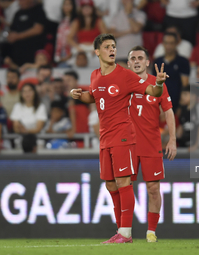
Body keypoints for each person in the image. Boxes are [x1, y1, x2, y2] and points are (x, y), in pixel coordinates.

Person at [70, 33, 168, 243]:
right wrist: (81, 96)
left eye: (114, 46)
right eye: (107, 47)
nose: (112, 50)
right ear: (97, 52)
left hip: (123, 136)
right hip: (104, 138)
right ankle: (120, 231)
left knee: (123, 181)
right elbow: (95, 96)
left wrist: (159, 83)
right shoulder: (95, 75)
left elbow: (152, 90)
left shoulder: (125, 75)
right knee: (111, 185)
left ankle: (126, 232)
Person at [127, 45, 176, 242]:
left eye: (140, 58)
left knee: (153, 189)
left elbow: (169, 111)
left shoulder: (158, 84)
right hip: (126, 144)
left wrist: (172, 139)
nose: (137, 61)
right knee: (124, 187)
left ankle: (151, 232)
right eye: (133, 58)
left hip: (150, 144)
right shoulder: (122, 83)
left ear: (147, 62)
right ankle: (124, 231)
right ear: (129, 63)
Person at [153, 32, 190, 111]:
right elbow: (153, 83)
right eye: (166, 43)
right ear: (163, 44)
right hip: (159, 103)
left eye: (171, 43)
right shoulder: (157, 62)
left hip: (176, 103)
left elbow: (185, 84)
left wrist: (181, 106)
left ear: (176, 44)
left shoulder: (183, 61)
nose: (168, 46)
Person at [4, 0, 46, 67]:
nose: (21, 2)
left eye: (23, 1)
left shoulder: (38, 11)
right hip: (17, 53)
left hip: (32, 50)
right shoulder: (18, 13)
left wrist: (18, 36)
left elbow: (38, 29)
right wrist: (9, 36)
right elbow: (12, 29)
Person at [67, 0, 107, 67]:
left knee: (98, 63)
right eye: (84, 8)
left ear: (93, 9)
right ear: (81, 9)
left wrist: (97, 48)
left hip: (94, 48)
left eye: (89, 7)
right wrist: (77, 47)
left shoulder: (99, 21)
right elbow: (69, 38)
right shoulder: (77, 22)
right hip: (81, 48)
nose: (86, 9)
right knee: (72, 62)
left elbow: (105, 37)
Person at [54, 0, 78, 67]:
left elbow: (77, 37)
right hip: (62, 52)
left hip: (73, 52)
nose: (67, 7)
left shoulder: (77, 20)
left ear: (73, 6)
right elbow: (59, 39)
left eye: (69, 4)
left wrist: (72, 52)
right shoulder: (62, 21)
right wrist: (58, 54)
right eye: (65, 4)